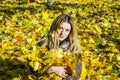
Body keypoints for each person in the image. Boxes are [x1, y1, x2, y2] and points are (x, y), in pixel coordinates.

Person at [37, 14, 82, 80]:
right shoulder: (43, 43)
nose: (63, 33)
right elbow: (33, 70)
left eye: (67, 30)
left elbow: (76, 74)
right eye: (60, 28)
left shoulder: (74, 47)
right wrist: (51, 69)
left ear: (70, 32)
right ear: (54, 28)